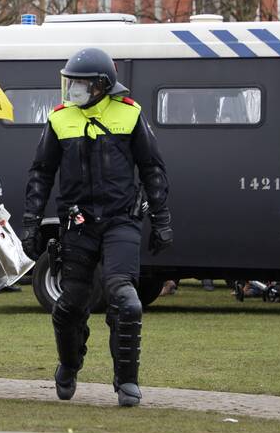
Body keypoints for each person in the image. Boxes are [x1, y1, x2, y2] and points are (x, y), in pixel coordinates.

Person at [22, 47, 172, 407]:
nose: (71, 89)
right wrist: (30, 224)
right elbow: (41, 174)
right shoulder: (60, 119)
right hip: (77, 223)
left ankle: (126, 381)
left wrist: (162, 220)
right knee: (70, 303)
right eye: (69, 82)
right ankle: (69, 364)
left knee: (126, 299)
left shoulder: (130, 114)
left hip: (121, 219)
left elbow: (152, 168)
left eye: (79, 84)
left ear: (102, 86)